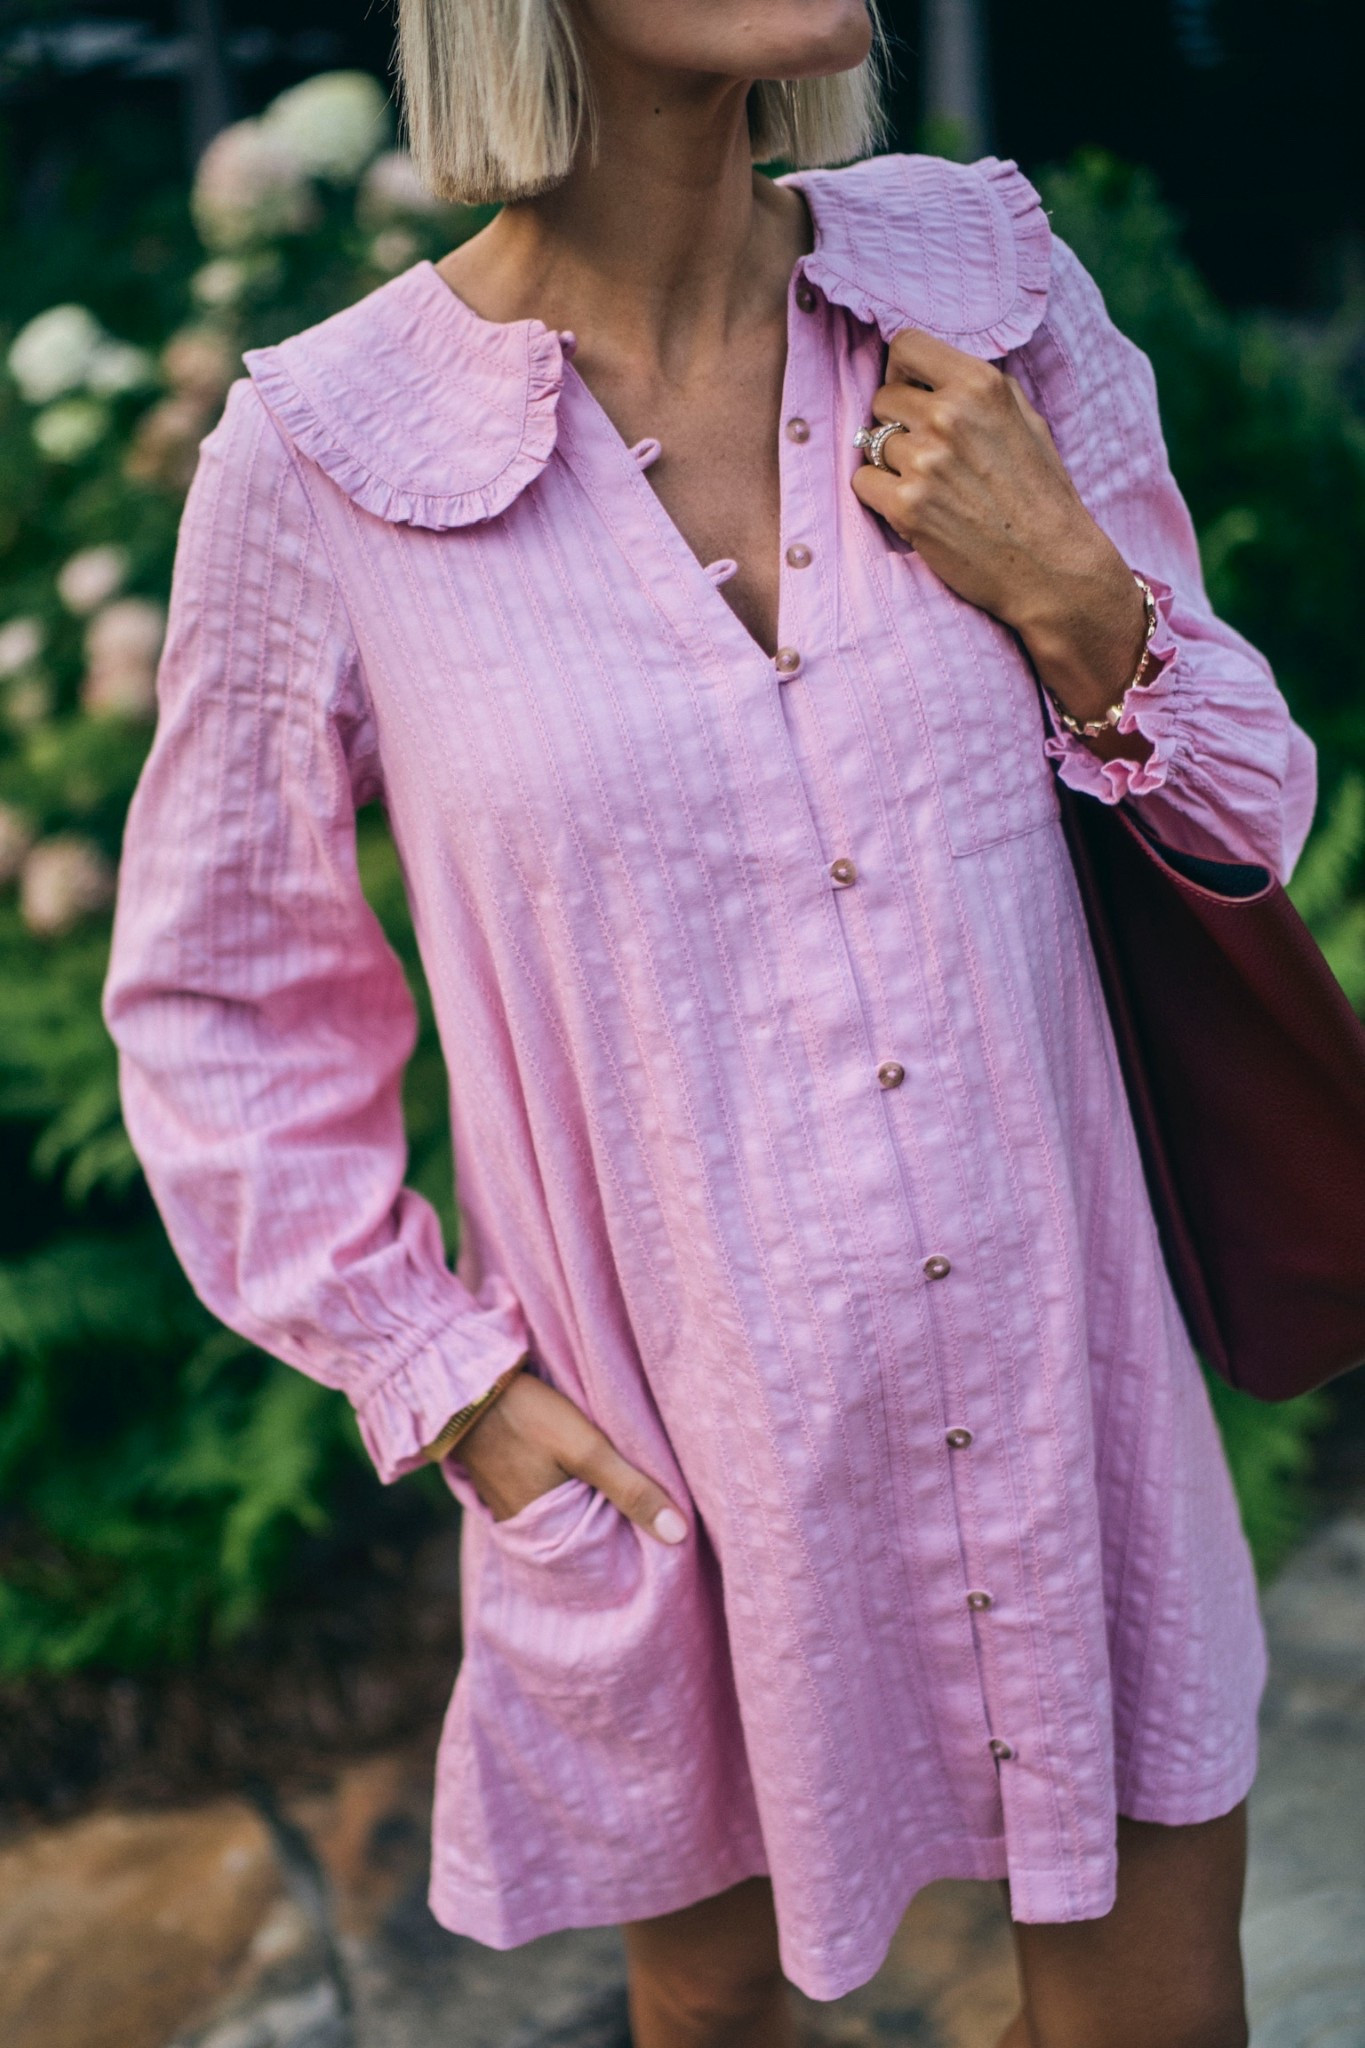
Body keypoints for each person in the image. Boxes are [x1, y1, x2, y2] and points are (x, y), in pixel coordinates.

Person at [103, 2, 1317, 2042]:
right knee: (728, 2020)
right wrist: (450, 1382)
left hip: (1058, 1380)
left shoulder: (987, 288)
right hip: (682, 1454)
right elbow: (220, 993)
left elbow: (1244, 804)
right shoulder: (322, 457)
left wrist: (1071, 596)